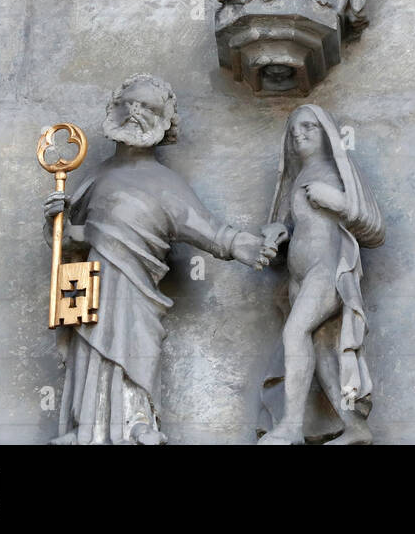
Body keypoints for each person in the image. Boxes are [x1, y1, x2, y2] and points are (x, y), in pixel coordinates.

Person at [43, 75, 273, 445]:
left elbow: (211, 231)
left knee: (135, 343)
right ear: (113, 109)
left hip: (137, 286)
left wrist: (246, 245)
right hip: (90, 281)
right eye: (129, 103)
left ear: (165, 122)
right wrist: (58, 222)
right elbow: (69, 242)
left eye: (148, 108)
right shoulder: (95, 177)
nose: (135, 113)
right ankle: (86, 427)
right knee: (90, 347)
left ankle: (136, 419)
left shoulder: (166, 183)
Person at [257, 104, 384, 445]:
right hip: (299, 275)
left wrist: (337, 201)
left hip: (328, 269)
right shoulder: (296, 177)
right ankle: (355, 427)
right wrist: (277, 233)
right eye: (294, 130)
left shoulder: (336, 170)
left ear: (327, 134)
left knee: (295, 332)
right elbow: (287, 223)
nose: (300, 134)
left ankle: (291, 427)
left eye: (309, 127)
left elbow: (372, 226)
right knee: (324, 351)